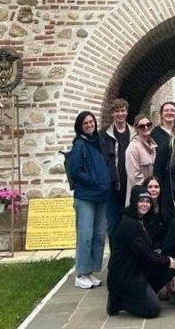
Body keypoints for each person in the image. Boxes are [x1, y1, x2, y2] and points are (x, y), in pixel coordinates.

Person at [106, 186, 175, 317]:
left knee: (169, 269)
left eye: (148, 201)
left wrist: (167, 261)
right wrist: (165, 260)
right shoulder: (128, 224)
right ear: (134, 202)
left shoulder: (141, 221)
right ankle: (119, 301)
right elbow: (144, 253)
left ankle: (143, 294)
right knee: (153, 310)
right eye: (141, 201)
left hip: (140, 270)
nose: (145, 204)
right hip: (126, 276)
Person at [70, 110, 114, 289]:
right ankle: (81, 273)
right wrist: (95, 182)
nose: (89, 125)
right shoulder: (80, 144)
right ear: (80, 126)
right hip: (86, 196)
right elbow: (75, 171)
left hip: (101, 196)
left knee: (98, 235)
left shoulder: (98, 142)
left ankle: (91, 271)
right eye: (85, 123)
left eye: (91, 122)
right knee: (85, 235)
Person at [101, 98, 135, 246]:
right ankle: (116, 261)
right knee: (114, 226)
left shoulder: (135, 133)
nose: (120, 114)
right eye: (117, 111)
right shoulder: (104, 134)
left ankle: (131, 262)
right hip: (114, 188)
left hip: (131, 188)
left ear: (127, 112)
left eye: (122, 111)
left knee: (131, 226)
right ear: (112, 113)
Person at [124, 113, 157, 205]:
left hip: (151, 197)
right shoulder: (133, 148)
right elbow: (134, 176)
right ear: (136, 129)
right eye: (142, 126)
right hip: (139, 198)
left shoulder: (153, 147)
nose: (146, 127)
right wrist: (148, 189)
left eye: (148, 125)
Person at [142, 175, 172, 254]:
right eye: (150, 187)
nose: (153, 189)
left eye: (156, 187)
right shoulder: (140, 210)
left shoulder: (167, 209)